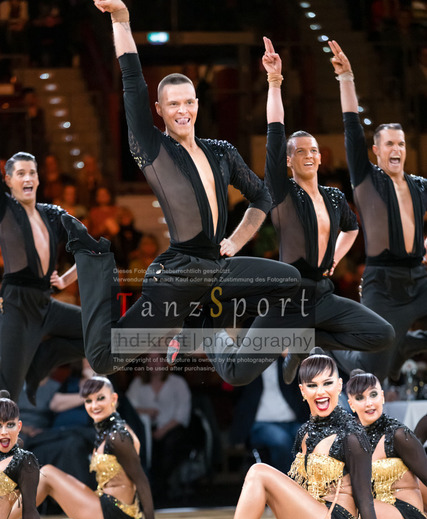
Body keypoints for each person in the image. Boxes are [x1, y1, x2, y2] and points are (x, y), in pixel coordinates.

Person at [59, 1, 301, 379]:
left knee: (289, 281)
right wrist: (121, 19)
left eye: (188, 102)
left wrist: (236, 241)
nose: (182, 110)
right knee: (105, 359)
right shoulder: (153, 149)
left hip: (217, 268)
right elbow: (133, 82)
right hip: (176, 277)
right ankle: (94, 260)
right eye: (173, 104)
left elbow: (263, 196)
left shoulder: (221, 152)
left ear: (197, 104)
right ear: (159, 110)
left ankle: (214, 334)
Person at [205, 38, 394, 387]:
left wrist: (334, 257)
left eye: (314, 150)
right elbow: (275, 132)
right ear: (289, 161)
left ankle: (304, 340)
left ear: (321, 157)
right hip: (286, 302)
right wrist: (274, 81)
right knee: (237, 374)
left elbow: (352, 229)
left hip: (322, 295)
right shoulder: (282, 192)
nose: (309, 155)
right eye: (301, 151)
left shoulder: (334, 197)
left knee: (381, 335)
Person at [193, 351, 404, 519]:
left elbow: (366, 501)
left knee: (258, 472)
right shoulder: (304, 432)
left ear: (339, 386)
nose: (320, 391)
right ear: (303, 391)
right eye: (312, 385)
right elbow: (301, 497)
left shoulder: (352, 435)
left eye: (327, 383)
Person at [328, 40, 427, 383]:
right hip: (383, 285)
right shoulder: (367, 180)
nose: (396, 148)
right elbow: (352, 127)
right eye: (389, 144)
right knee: (371, 372)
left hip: (419, 279)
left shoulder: (420, 185)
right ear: (376, 150)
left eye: (401, 143)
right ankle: (327, 340)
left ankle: (406, 344)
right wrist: (346, 78)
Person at [7, 376, 173, 519]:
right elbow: (129, 481)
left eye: (100, 398)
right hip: (112, 516)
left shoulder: (118, 436)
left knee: (47, 473)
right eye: (88, 401)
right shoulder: (107, 431)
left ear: (113, 399)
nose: (94, 406)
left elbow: (140, 480)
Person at [0, 152, 85, 402]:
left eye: (32, 173)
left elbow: (91, 250)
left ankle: (44, 359)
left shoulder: (51, 213)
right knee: (7, 395)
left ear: (39, 178)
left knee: (101, 331)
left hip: (46, 303)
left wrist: (65, 280)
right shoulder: (6, 209)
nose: (28, 178)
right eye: (20, 174)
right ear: (8, 180)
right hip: (17, 305)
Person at [346, 369, 427, 519]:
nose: (369, 403)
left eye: (373, 395)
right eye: (360, 398)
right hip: (371, 512)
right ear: (351, 404)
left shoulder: (398, 435)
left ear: (382, 396)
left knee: (333, 516)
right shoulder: (349, 437)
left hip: (404, 517)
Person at [0, 390, 78, 519]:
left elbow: (30, 513)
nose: (4, 432)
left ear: (19, 426)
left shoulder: (24, 461)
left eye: (10, 425)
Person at [126, 352, 192, 497]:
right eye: (150, 360)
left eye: (157, 359)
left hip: (172, 428)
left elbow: (182, 414)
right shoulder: (138, 384)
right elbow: (128, 408)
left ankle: (164, 487)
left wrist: (163, 430)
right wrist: (146, 411)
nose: (154, 363)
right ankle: (147, 487)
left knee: (171, 443)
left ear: (164, 361)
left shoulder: (177, 383)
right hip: (145, 430)